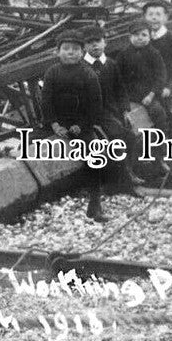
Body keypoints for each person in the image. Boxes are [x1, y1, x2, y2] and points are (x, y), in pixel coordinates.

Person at [39, 30, 108, 221]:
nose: (71, 53)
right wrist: (53, 124)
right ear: (57, 52)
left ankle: (95, 204)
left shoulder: (88, 74)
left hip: (81, 125)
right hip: (57, 123)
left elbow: (95, 104)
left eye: (76, 49)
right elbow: (46, 101)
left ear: (82, 51)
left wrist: (82, 125)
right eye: (66, 49)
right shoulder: (52, 72)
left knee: (95, 157)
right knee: (28, 145)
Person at [82, 26, 142, 191]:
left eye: (98, 41)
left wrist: (125, 111)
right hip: (94, 114)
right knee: (119, 137)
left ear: (105, 43)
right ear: (84, 47)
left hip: (112, 111)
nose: (95, 46)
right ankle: (122, 179)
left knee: (131, 137)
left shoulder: (110, 64)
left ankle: (128, 171)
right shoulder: (81, 68)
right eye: (90, 43)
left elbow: (120, 89)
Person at [117, 19, 169, 133]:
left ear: (149, 37)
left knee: (158, 111)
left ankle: (163, 140)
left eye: (144, 35)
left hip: (149, 93)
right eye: (136, 34)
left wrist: (151, 95)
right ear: (130, 37)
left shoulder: (154, 53)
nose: (140, 37)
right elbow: (118, 79)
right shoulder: (123, 55)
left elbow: (161, 76)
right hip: (131, 95)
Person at [143, 0, 172, 132]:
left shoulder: (171, 38)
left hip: (167, 86)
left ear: (166, 17)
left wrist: (170, 87)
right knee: (156, 116)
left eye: (158, 14)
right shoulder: (144, 39)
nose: (154, 18)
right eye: (150, 14)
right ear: (145, 17)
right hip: (151, 87)